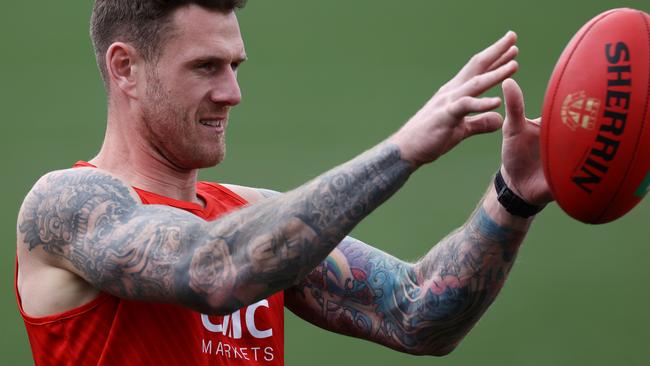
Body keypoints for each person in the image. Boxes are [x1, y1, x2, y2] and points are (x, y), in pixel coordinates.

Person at [14, 0, 553, 365]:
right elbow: (212, 270)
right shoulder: (65, 205)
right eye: (205, 67)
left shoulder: (249, 213)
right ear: (125, 67)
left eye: (234, 66)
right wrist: (403, 149)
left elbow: (416, 314)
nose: (232, 92)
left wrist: (512, 195)